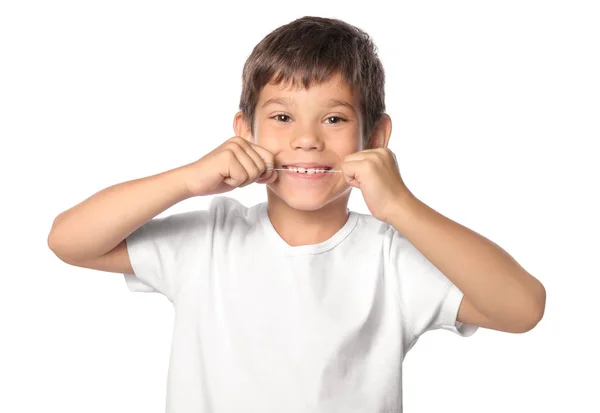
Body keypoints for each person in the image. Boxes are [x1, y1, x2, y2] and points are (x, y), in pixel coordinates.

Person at [48, 16, 546, 413]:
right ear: (246, 131)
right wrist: (187, 180)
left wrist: (401, 206)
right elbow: (68, 241)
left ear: (374, 138)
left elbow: (522, 310)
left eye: (333, 118)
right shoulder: (209, 239)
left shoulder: (391, 259)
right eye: (283, 117)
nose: (307, 139)